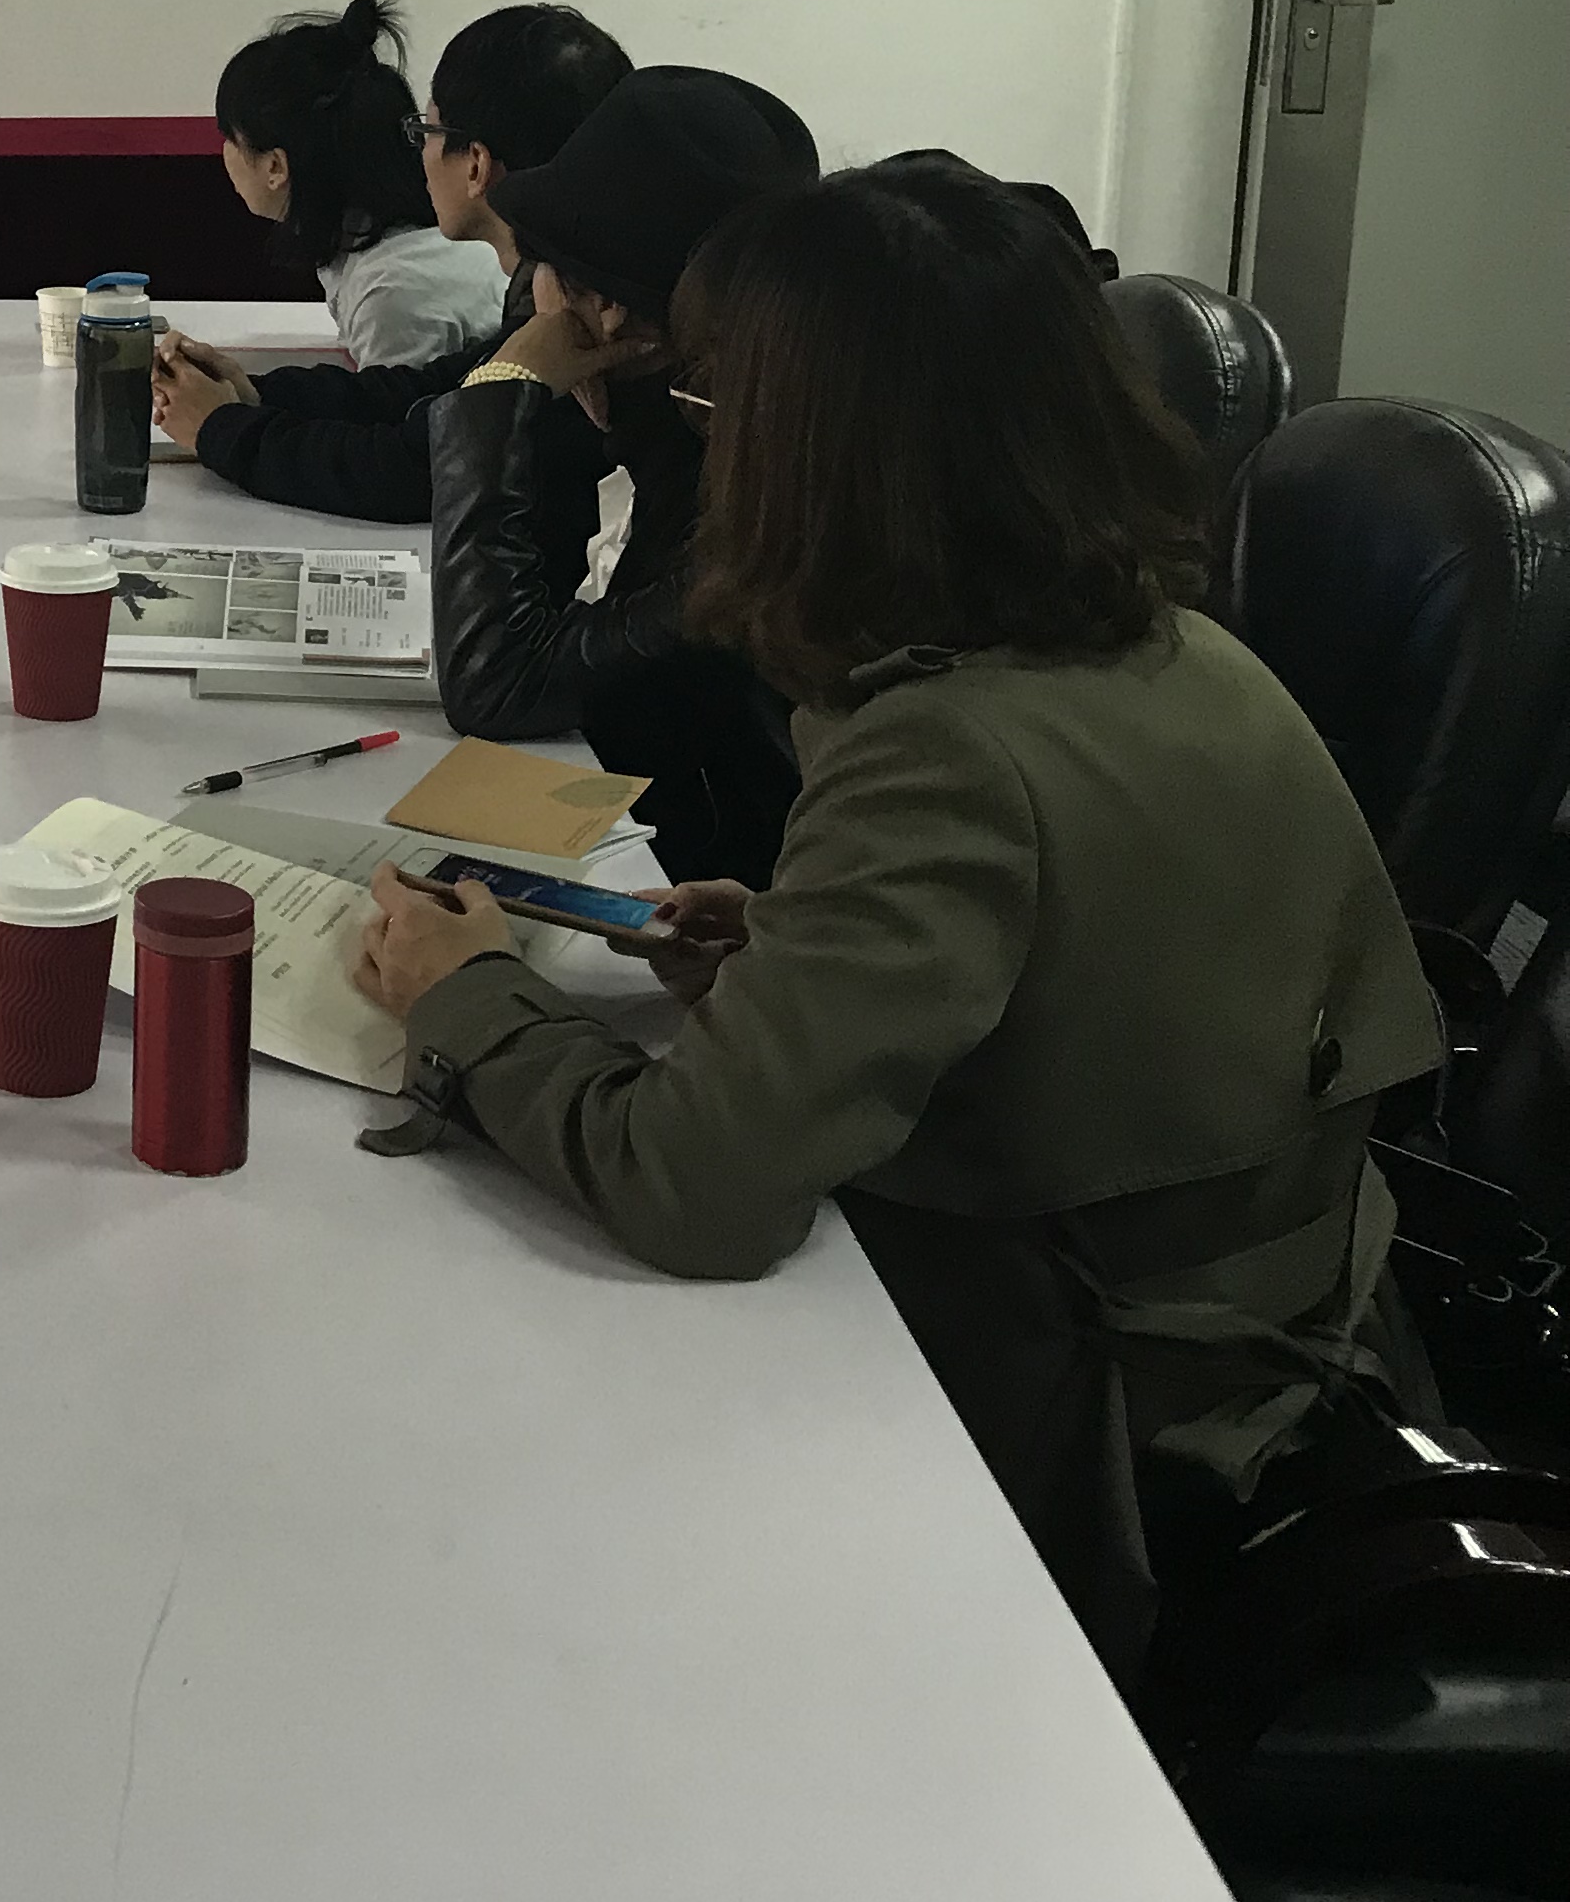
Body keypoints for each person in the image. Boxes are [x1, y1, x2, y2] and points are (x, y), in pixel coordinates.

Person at [349, 158, 1436, 1669]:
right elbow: (1089, 978)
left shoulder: (942, 754)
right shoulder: (1176, 649)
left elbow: (692, 1191)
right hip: (1296, 1343)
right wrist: (801, 943)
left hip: (1110, 1449)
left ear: (814, 461)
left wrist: (464, 992)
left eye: (718, 411)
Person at [424, 66, 817, 884]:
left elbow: (496, 682)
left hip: (719, 893)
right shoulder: (717, 437)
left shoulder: (745, 521)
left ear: (604, 313)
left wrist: (505, 390)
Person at [157, 2, 630, 519]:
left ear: (475, 165)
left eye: (427, 133)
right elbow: (433, 390)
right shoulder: (564, 280)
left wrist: (221, 428)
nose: (418, 154)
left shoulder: (586, 315)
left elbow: (412, 468)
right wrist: (256, 394)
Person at [208, 0, 501, 371]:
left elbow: (399, 408)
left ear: (276, 166)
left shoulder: (390, 292)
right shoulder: (372, 252)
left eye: (230, 137)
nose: (225, 152)